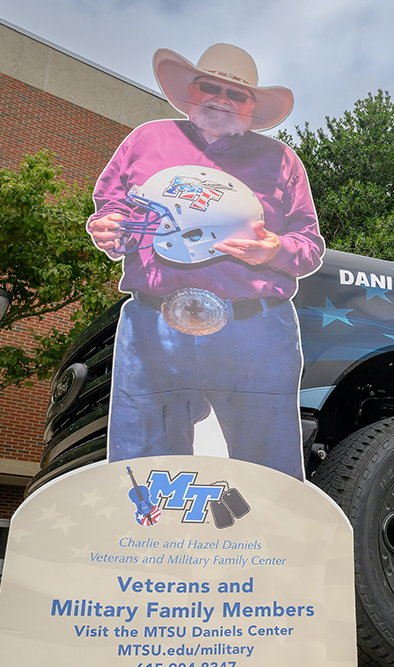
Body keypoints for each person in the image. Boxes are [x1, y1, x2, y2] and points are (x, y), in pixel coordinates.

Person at [87, 43, 324, 480]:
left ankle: (267, 544)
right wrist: (107, 227)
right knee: (142, 460)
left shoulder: (282, 161)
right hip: (153, 323)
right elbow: (111, 210)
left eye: (236, 94)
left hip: (256, 331)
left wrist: (274, 249)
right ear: (191, 90)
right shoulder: (145, 139)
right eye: (209, 86)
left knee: (268, 466)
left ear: (253, 106)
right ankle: (142, 543)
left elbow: (309, 246)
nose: (221, 98)